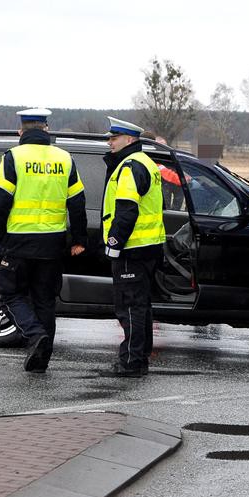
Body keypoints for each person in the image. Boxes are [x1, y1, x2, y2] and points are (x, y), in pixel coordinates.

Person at [0, 108, 87, 373]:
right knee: (44, 299)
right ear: (46, 129)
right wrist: (79, 238)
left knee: (10, 294)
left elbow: (0, 201)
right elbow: (77, 203)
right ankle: (41, 360)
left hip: (19, 241)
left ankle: (35, 336)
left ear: (21, 131)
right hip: (53, 242)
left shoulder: (13, 157)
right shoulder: (64, 159)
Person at [102, 116, 166, 377]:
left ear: (129, 140)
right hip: (149, 246)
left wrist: (114, 243)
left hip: (132, 248)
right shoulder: (147, 163)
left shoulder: (129, 166)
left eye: (114, 138)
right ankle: (139, 359)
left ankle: (131, 362)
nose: (109, 143)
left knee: (129, 307)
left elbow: (126, 211)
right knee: (141, 306)